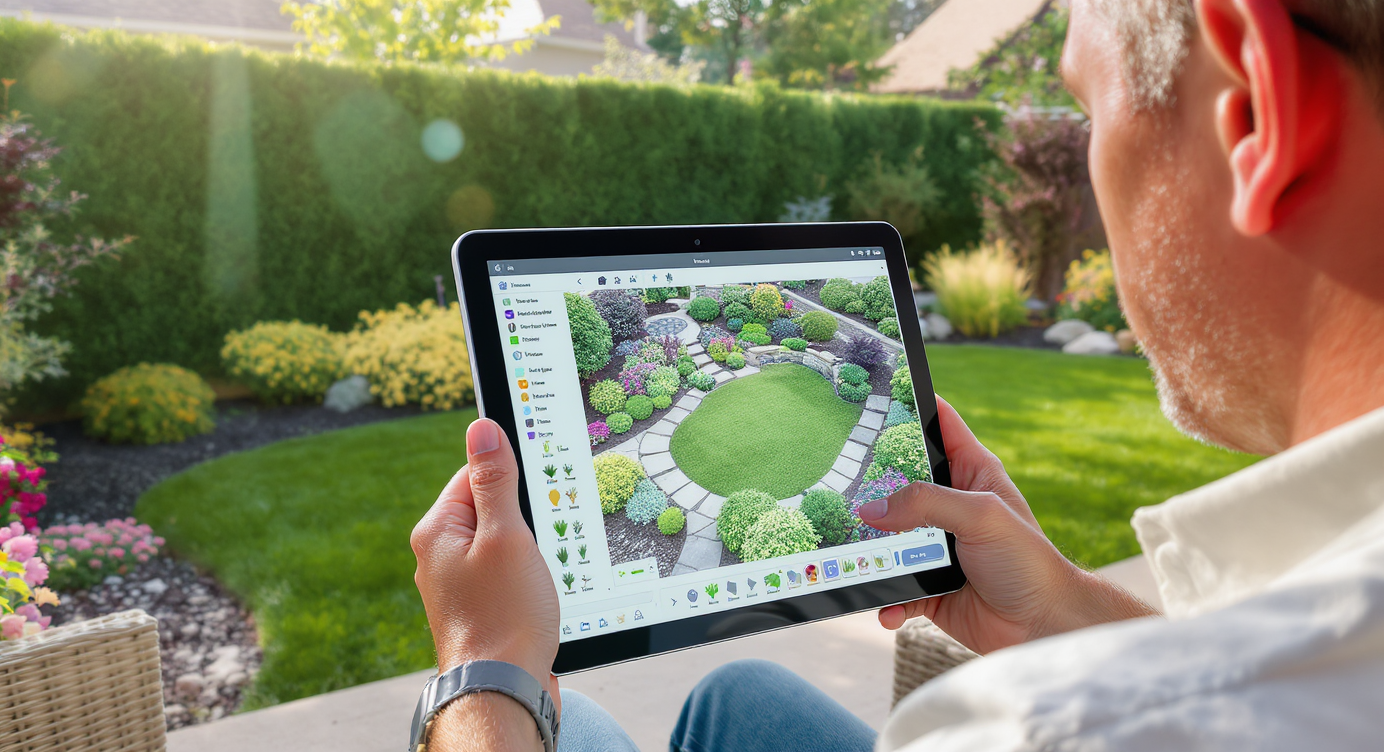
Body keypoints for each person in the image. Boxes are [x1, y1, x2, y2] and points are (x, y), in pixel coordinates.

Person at [409, 0, 1384, 748]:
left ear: (1254, 108)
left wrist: (483, 676)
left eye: (1087, 106)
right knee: (734, 695)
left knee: (567, 721)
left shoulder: (1047, 723)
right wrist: (1066, 609)